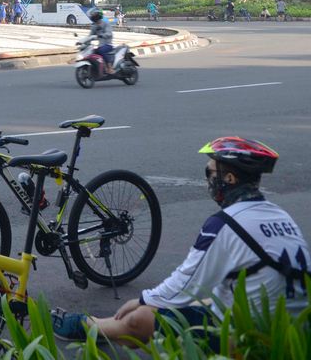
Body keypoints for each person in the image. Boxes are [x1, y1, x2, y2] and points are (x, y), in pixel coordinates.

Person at [52, 137, 308, 347]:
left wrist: (143, 300)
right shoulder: (280, 216)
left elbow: (185, 283)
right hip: (294, 326)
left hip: (255, 336)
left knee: (140, 318)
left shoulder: (225, 224)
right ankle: (108, 329)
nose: (208, 179)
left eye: (210, 172)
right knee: (198, 303)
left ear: (229, 178)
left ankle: (86, 326)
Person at [87, 7, 115, 74]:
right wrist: (82, 42)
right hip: (100, 45)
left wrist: (101, 35)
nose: (92, 18)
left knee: (101, 51)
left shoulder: (106, 24)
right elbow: (90, 36)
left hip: (108, 44)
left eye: (93, 16)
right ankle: (100, 69)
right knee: (92, 53)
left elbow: (109, 34)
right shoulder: (94, 26)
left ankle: (110, 68)